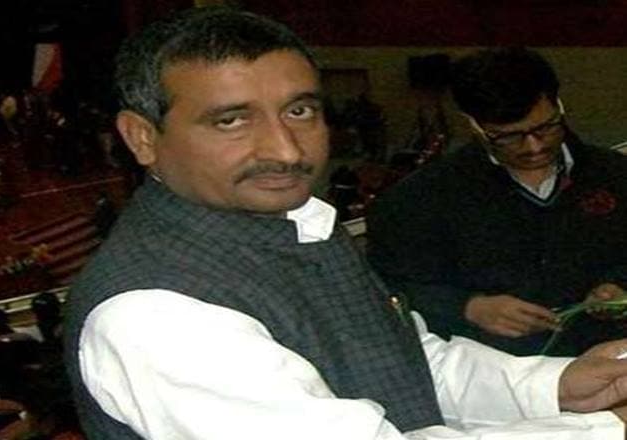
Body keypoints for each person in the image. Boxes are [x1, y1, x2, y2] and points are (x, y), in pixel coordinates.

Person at [63, 10, 627, 440]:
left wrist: (550, 386)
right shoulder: (154, 314)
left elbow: (403, 362)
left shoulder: (300, 226)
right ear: (142, 137)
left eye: (300, 111)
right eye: (231, 120)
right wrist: (605, 429)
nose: (286, 150)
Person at [366, 47, 627, 357]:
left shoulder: (615, 175)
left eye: (545, 127)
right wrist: (469, 307)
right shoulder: (419, 200)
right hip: (491, 369)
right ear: (473, 124)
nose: (534, 146)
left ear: (558, 105)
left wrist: (618, 285)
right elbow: (385, 287)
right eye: (508, 137)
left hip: (610, 357)